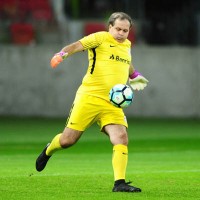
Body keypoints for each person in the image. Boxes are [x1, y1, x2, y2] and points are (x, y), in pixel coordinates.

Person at [36, 12, 148, 192]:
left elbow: (126, 63)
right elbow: (76, 45)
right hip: (89, 98)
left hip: (112, 103)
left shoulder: (126, 45)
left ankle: (119, 183)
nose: (121, 33)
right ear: (110, 27)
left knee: (121, 137)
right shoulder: (100, 38)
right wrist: (62, 54)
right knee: (67, 141)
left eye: (125, 30)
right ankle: (49, 149)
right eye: (117, 29)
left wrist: (134, 76)